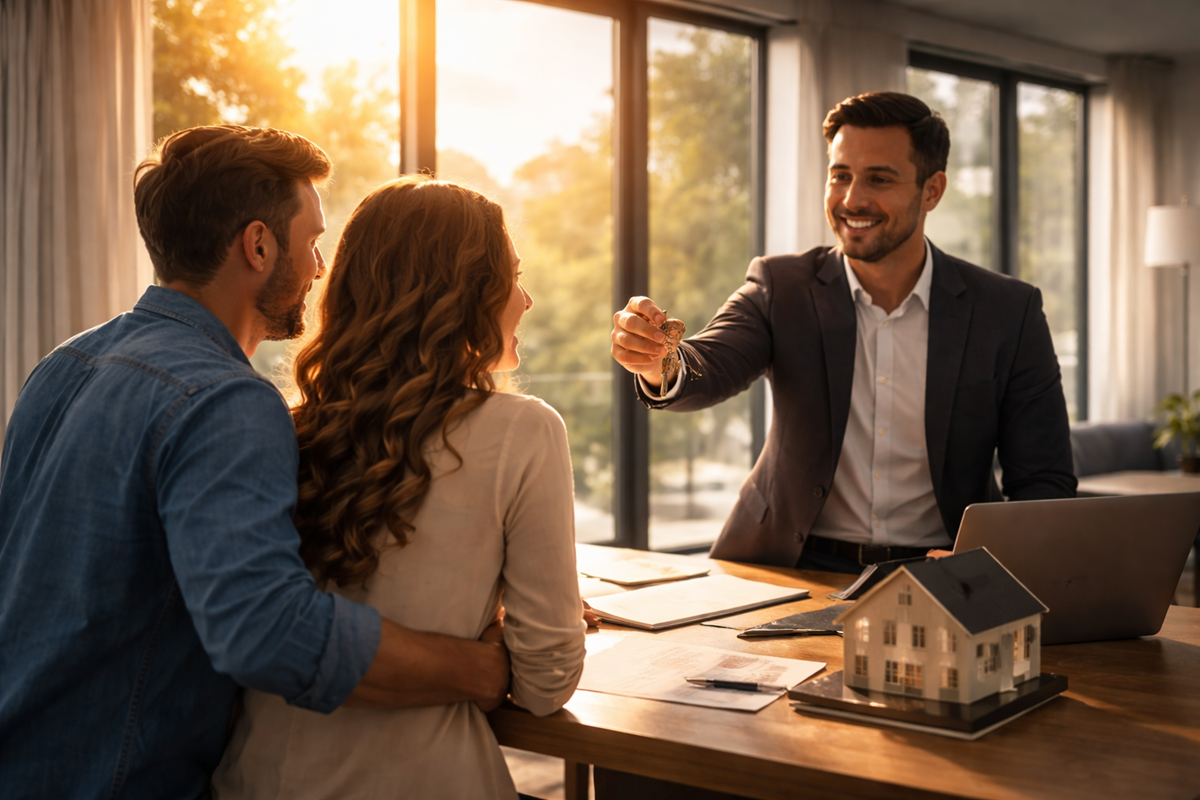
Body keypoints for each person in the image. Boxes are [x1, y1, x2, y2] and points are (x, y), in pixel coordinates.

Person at [0, 127, 509, 800]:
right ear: (259, 245)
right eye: (311, 241)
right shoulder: (227, 401)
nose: (321, 268)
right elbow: (265, 631)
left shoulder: (63, 364)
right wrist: (480, 669)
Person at [211, 176, 586, 799]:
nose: (526, 299)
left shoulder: (280, 425)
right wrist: (495, 636)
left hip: (253, 781)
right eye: (512, 277)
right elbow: (547, 686)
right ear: (465, 293)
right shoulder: (526, 431)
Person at [611, 91, 1076, 572]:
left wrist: (989, 556)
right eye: (840, 175)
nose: (852, 199)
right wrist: (660, 360)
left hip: (944, 571)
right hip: (790, 565)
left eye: (879, 178)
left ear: (932, 190)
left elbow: (1044, 479)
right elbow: (711, 361)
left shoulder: (1008, 311)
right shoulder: (781, 286)